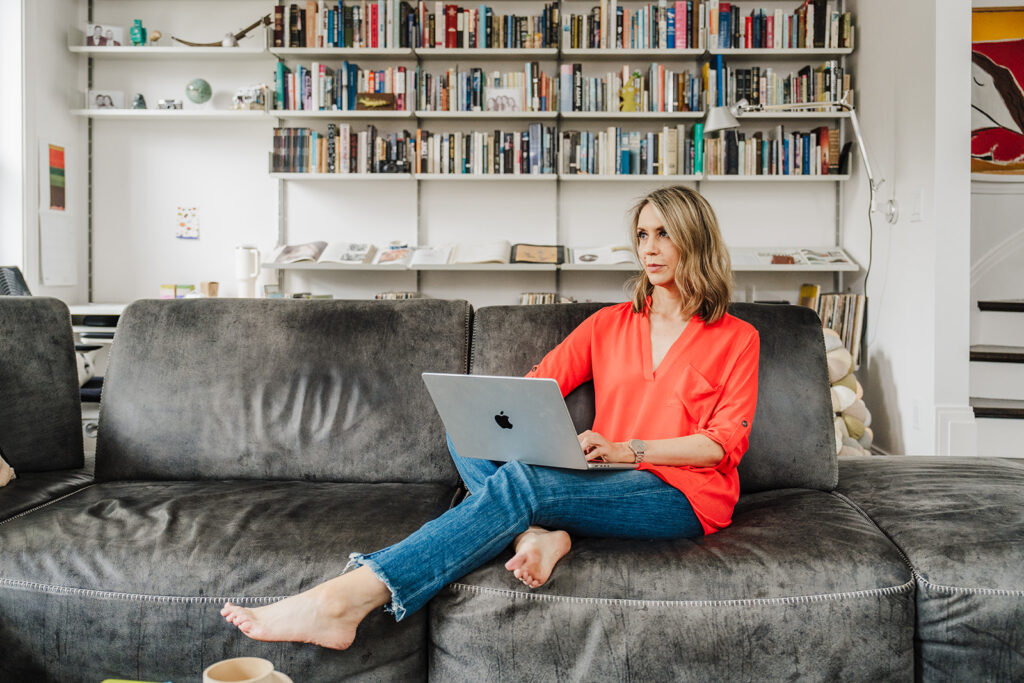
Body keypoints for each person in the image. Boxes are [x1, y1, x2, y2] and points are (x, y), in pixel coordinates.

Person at [221, 185, 761, 650]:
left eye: (664, 234)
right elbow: (535, 386)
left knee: (521, 482)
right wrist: (510, 418)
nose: (649, 248)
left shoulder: (737, 339)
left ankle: (348, 597)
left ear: (696, 240)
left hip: (679, 494)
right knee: (470, 434)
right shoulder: (608, 324)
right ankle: (538, 535)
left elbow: (720, 446)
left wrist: (630, 450)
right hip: (601, 476)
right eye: (642, 235)